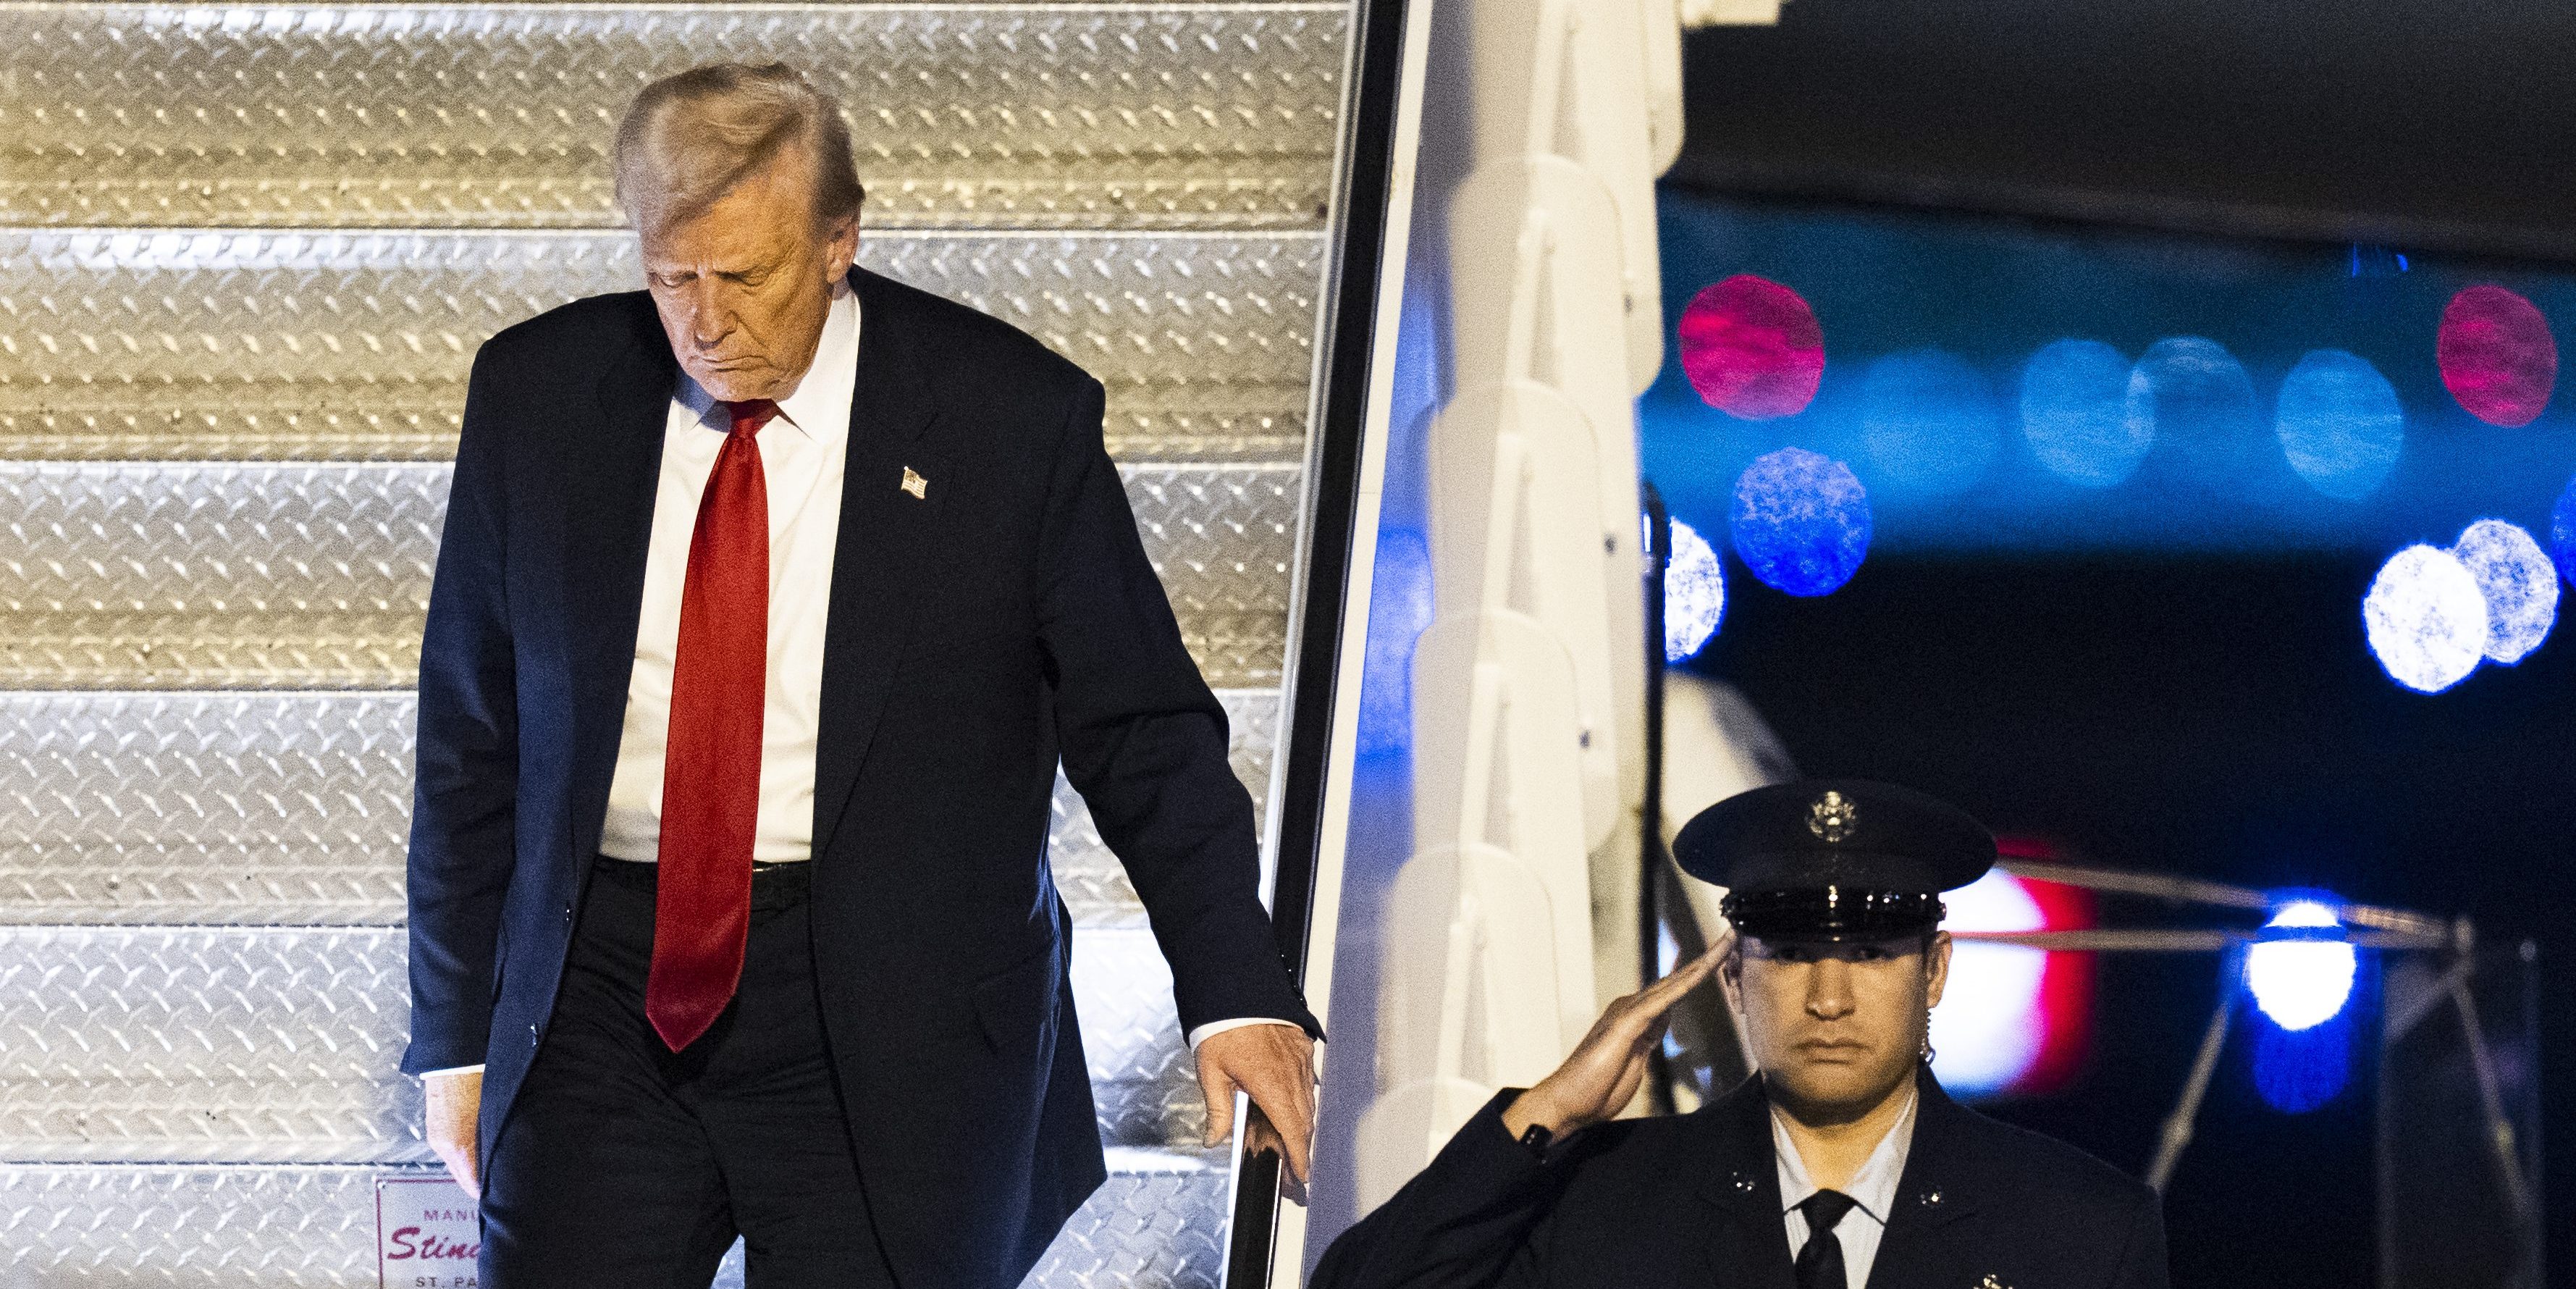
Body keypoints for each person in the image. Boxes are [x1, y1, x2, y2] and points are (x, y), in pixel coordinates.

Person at [400, 62, 1320, 1289]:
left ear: (839, 243)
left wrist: (1233, 988)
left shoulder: (1006, 419)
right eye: (671, 276)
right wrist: (456, 1036)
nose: (705, 320)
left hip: (898, 1010)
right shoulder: (539, 395)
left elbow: (1139, 726)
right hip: (601, 990)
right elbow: (474, 734)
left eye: (745, 276)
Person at [1313, 780, 2168, 1289]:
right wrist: (1546, 1114)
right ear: (1732, 978)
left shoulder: (2081, 1229)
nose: (1828, 999)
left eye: (1870, 954)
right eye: (1792, 954)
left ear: (1934, 970)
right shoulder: (1604, 1205)